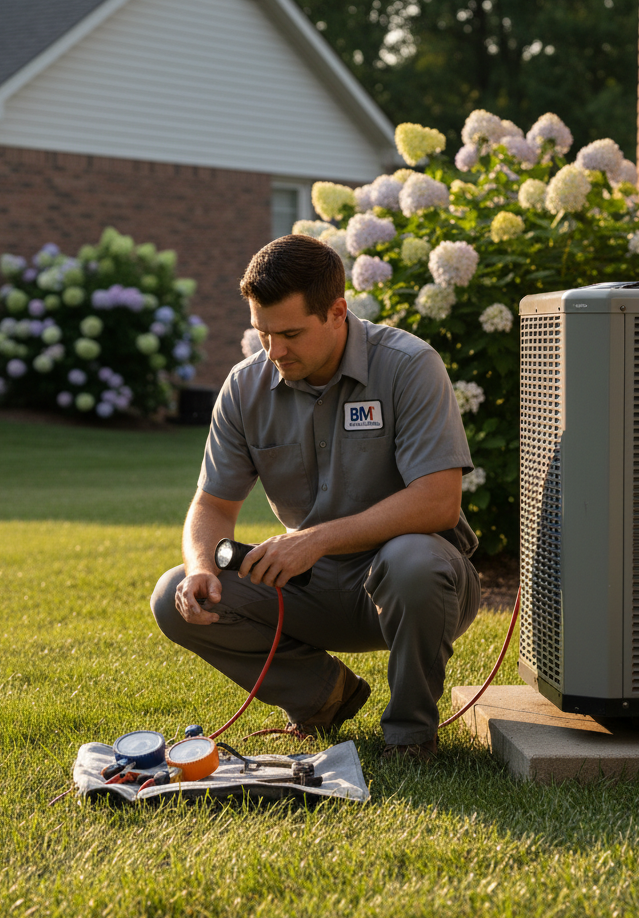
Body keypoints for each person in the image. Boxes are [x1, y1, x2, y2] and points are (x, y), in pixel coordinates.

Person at [151, 234, 480, 759]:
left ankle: (410, 735)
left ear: (337, 312)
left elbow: (438, 501)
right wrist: (200, 568)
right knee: (173, 595)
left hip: (418, 583)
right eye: (262, 333)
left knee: (412, 559)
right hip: (311, 587)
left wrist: (315, 540)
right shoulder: (244, 388)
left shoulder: (409, 366)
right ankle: (323, 698)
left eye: (290, 334)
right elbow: (212, 506)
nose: (274, 350)